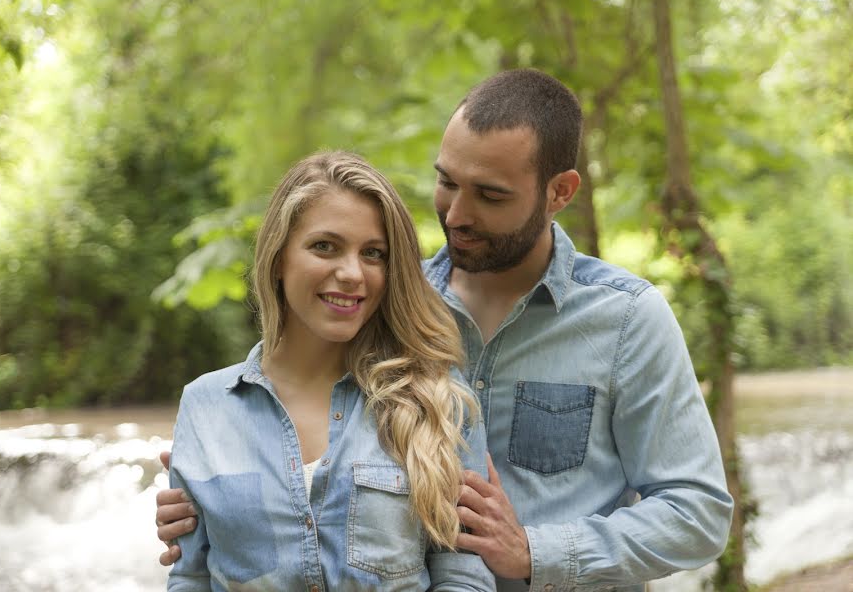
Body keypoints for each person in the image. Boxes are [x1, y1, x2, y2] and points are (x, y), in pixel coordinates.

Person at [157, 70, 734, 591]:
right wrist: (219, 498)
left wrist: (536, 553)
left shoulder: (626, 318)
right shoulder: (380, 302)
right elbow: (290, 414)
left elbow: (699, 513)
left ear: (560, 192)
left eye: (490, 195)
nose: (456, 214)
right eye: (447, 182)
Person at [164, 150, 495, 591]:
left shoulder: (437, 400)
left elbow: (465, 577)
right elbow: (191, 577)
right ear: (279, 257)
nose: (352, 273)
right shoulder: (205, 406)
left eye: (373, 253)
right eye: (325, 246)